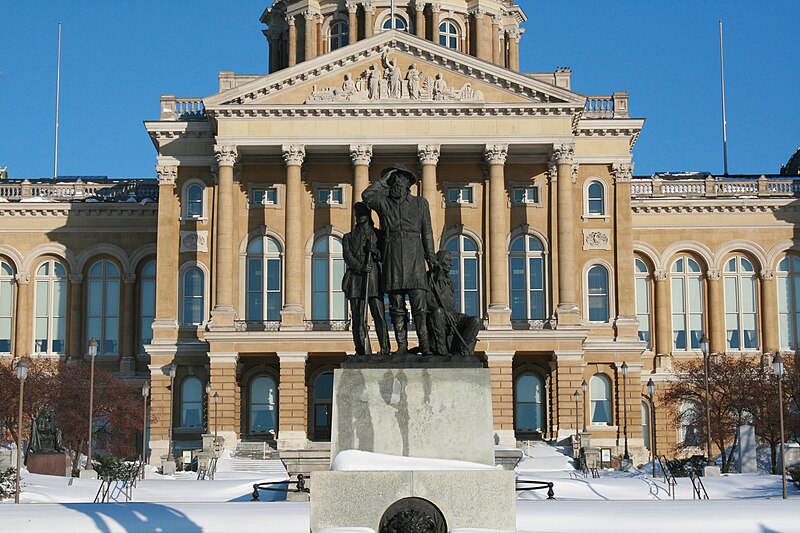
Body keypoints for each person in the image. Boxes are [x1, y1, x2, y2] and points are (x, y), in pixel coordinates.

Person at [361, 165, 437, 355]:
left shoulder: (420, 204)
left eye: (399, 182)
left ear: (407, 185)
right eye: (393, 182)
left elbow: (427, 233)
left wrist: (432, 258)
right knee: (396, 306)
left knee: (420, 305)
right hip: (392, 255)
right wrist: (382, 181)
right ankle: (402, 345)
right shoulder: (384, 203)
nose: (395, 186)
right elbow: (367, 196)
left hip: (414, 255)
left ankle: (425, 345)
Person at [342, 202, 390, 356]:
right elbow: (347, 256)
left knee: (378, 313)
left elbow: (384, 255)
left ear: (368, 216)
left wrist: (374, 250)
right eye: (358, 214)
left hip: (373, 276)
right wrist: (360, 266)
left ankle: (385, 348)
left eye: (362, 213)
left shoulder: (377, 234)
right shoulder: (348, 237)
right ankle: (360, 348)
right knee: (357, 316)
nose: (359, 217)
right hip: (356, 277)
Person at [425, 250, 482, 356]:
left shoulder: (449, 281)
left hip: (452, 315)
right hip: (438, 315)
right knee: (438, 312)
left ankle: (461, 349)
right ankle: (441, 350)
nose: (450, 264)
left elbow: (451, 304)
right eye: (448, 260)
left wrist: (451, 314)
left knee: (476, 321)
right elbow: (427, 301)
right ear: (440, 261)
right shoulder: (429, 278)